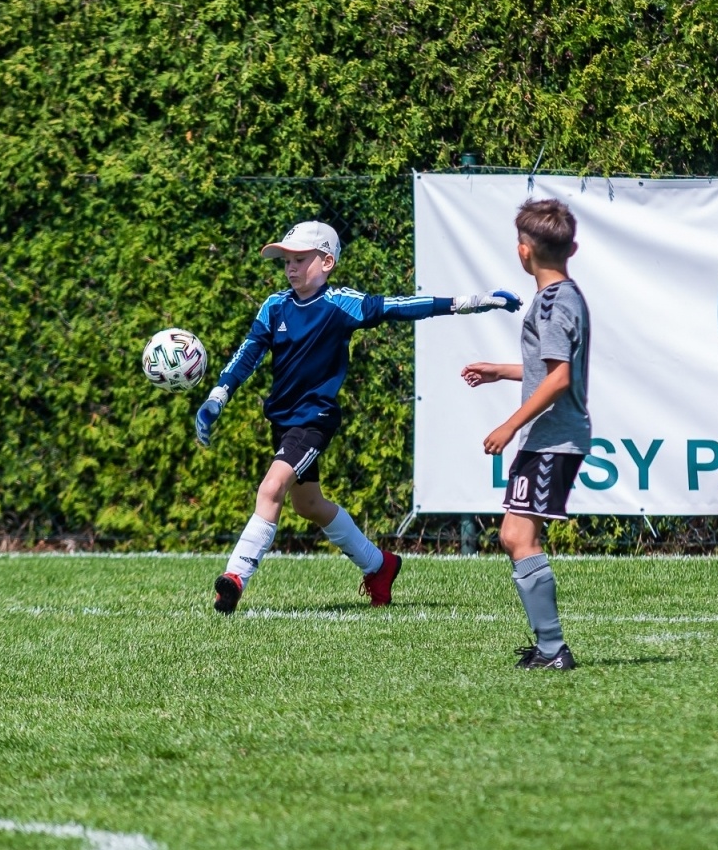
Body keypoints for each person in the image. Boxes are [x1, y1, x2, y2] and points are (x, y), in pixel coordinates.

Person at [198, 219, 520, 615]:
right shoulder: (274, 306)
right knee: (309, 504)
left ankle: (234, 578)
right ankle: (379, 565)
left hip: (314, 419)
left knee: (271, 488)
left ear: (327, 262)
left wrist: (468, 302)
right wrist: (218, 395)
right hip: (283, 420)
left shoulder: (341, 304)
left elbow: (402, 307)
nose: (290, 268)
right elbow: (246, 354)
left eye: (299, 259)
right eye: (286, 261)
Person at [461, 198, 590, 670]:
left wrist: (509, 424)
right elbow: (546, 369)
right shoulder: (559, 297)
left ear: (522, 252)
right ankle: (549, 647)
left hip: (552, 437)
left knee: (517, 536)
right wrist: (501, 371)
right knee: (515, 535)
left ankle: (554, 650)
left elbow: (559, 379)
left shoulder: (555, 304)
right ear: (571, 247)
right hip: (547, 437)